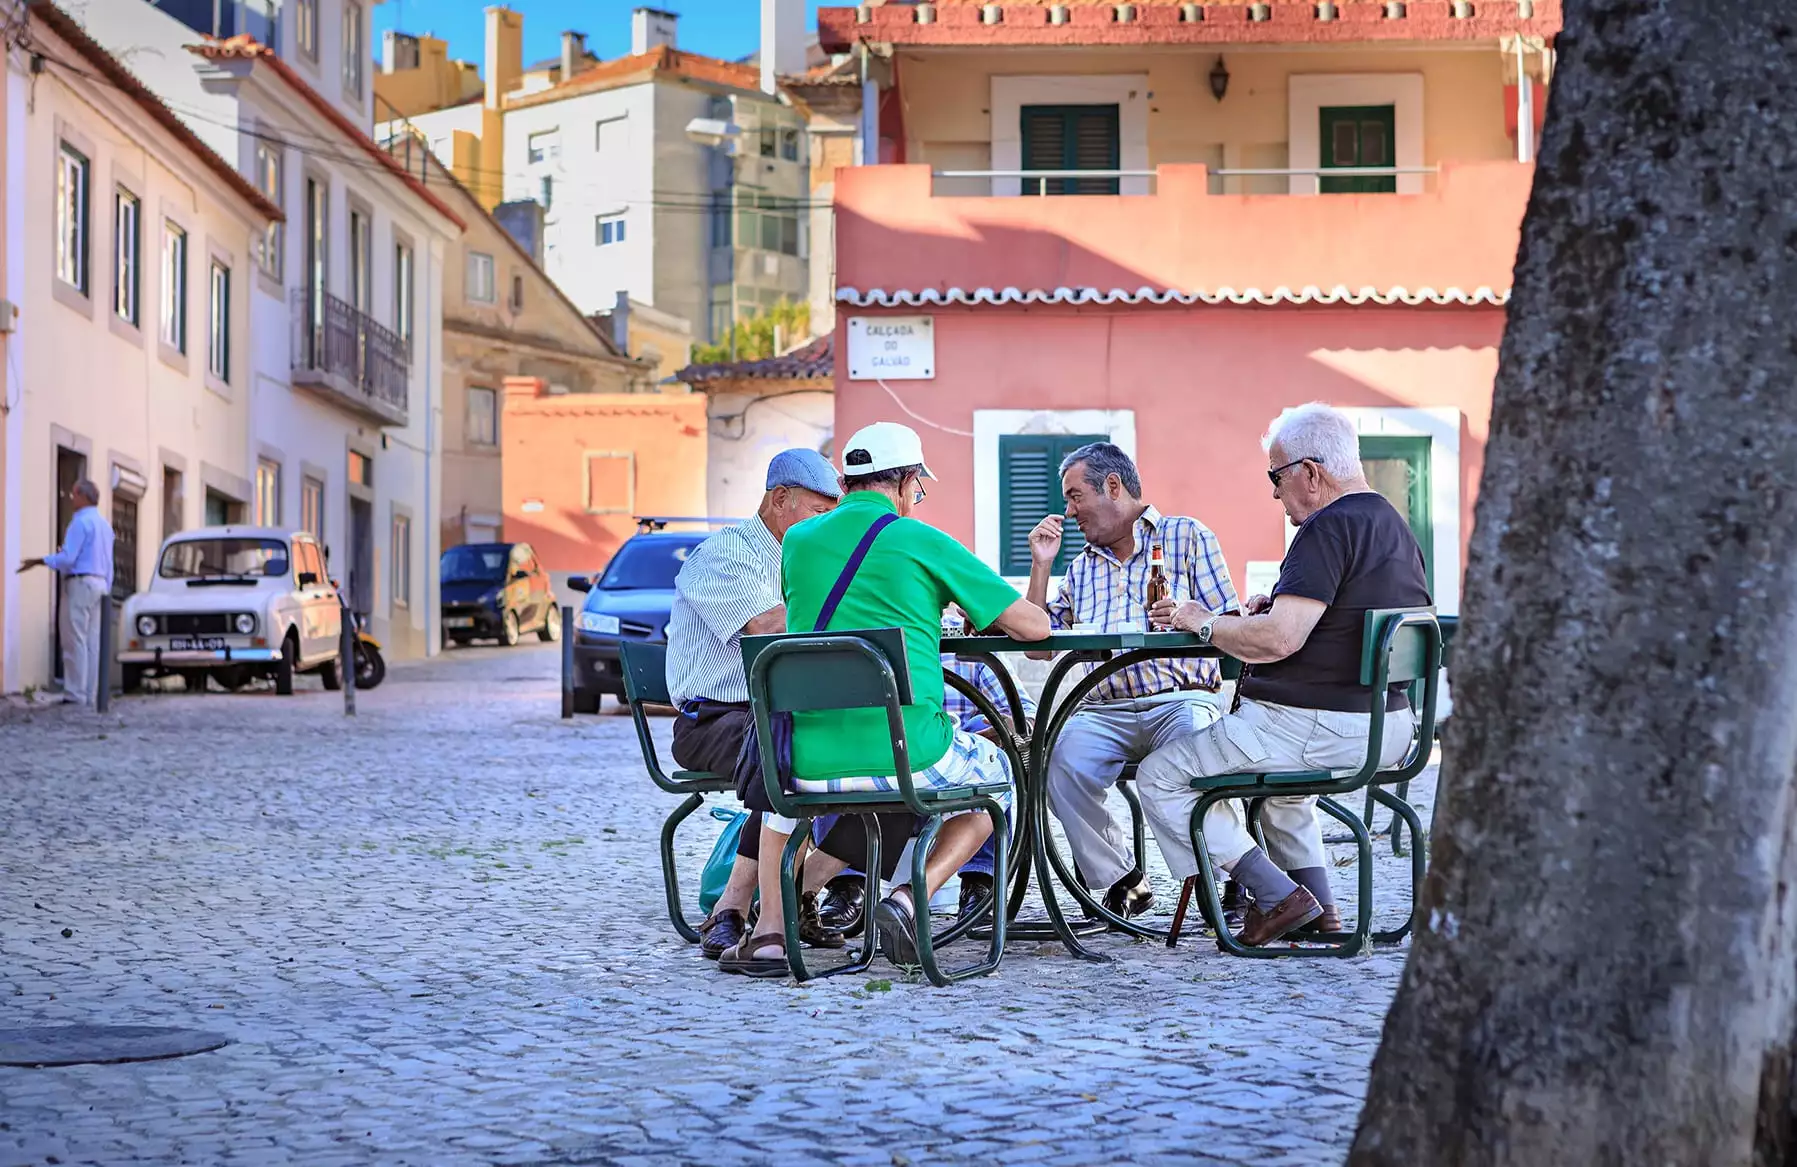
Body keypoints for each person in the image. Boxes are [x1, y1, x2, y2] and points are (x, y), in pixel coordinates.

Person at [720, 421, 1052, 977]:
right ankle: (905, 897)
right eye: (917, 488)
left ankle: (771, 937)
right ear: (904, 483)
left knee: (781, 813)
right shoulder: (921, 541)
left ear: (848, 482)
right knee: (995, 781)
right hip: (908, 755)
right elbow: (1034, 627)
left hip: (805, 763)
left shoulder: (798, 542)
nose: (915, 500)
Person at [1137, 402, 1431, 946]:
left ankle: (1276, 897)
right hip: (1387, 726)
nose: (1274, 493)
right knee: (1283, 796)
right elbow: (1323, 622)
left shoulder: (1325, 528)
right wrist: (1272, 610)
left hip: (1316, 725)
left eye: (1277, 477)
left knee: (1159, 776)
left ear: (1311, 474)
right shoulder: (1390, 523)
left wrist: (1202, 621)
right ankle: (1322, 912)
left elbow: (1279, 640)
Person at [1024, 443, 1237, 919]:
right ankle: (1123, 878)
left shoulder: (1187, 537)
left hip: (1180, 698)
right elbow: (1038, 643)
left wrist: (1190, 617)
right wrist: (1041, 564)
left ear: (1113, 487)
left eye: (1076, 496)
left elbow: (1231, 624)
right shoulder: (1080, 566)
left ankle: (1215, 875)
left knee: (1195, 748)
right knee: (1059, 762)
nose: (1069, 510)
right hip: (1103, 708)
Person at [665, 449, 864, 958]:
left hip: (784, 714)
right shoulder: (727, 555)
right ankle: (730, 906)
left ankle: (798, 894)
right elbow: (768, 628)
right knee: (787, 747)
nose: (829, 526)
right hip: (712, 718)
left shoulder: (807, 557)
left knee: (882, 748)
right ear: (780, 500)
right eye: (822, 514)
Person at [18, 480, 115, 707]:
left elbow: (68, 558)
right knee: (92, 642)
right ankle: (90, 693)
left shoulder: (80, 523)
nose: (71, 498)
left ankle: (75, 692)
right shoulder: (104, 525)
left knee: (75, 639)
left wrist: (42, 560)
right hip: (100, 584)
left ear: (82, 495)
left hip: (80, 583)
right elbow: (109, 564)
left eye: (73, 494)